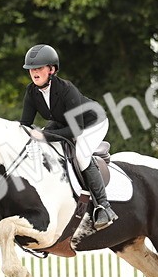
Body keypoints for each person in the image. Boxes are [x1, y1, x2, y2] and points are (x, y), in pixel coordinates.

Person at [18, 44, 118, 229]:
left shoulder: (66, 89)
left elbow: (76, 130)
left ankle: (104, 207)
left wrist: (43, 135)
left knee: (81, 155)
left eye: (39, 68)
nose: (34, 72)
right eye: (31, 69)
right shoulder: (31, 92)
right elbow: (24, 125)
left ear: (52, 69)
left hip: (92, 123)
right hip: (63, 123)